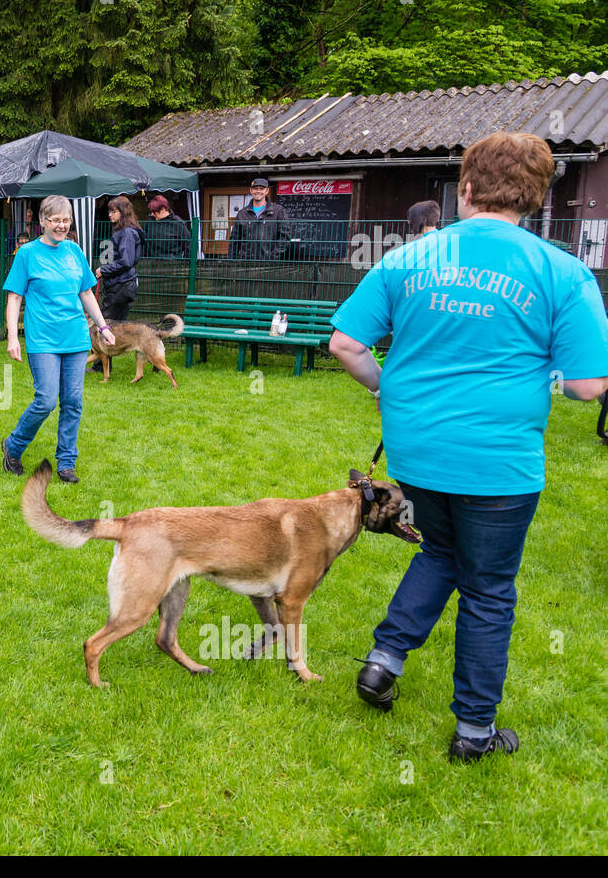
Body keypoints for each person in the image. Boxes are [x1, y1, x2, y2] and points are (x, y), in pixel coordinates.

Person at [329, 131, 608, 762]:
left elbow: (345, 344)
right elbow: (589, 387)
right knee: (488, 589)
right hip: (499, 462)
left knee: (441, 552)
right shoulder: (560, 270)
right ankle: (475, 731)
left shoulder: (408, 258)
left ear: (467, 189)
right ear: (534, 197)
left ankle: (383, 659)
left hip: (417, 449)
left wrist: (385, 388)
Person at [1, 194, 115, 484]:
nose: (62, 225)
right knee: (45, 400)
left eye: (66, 220)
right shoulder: (27, 254)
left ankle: (66, 462)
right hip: (43, 340)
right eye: (55, 220)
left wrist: (103, 327)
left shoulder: (74, 251)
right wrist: (13, 337)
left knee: (73, 402)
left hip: (75, 338)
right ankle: (13, 447)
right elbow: (14, 297)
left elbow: (86, 292)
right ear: (42, 221)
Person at [98, 196, 145, 324]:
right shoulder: (124, 231)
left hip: (122, 285)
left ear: (123, 212)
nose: (109, 214)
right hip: (123, 284)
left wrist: (104, 269)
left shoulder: (127, 233)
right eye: (109, 211)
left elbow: (126, 262)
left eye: (113, 211)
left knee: (106, 324)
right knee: (116, 326)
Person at [228, 177, 289, 262]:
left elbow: (284, 237)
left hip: (269, 264)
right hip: (246, 263)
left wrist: (273, 256)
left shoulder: (278, 211)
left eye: (261, 188)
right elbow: (234, 240)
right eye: (255, 188)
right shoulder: (242, 214)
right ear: (251, 190)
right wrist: (231, 261)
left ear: (267, 191)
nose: (258, 191)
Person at [144, 195, 192, 260]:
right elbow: (144, 241)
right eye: (152, 211)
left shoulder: (178, 223)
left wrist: (186, 264)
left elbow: (188, 245)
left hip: (172, 264)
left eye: (154, 211)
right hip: (151, 264)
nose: (152, 214)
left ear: (163, 209)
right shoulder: (149, 222)